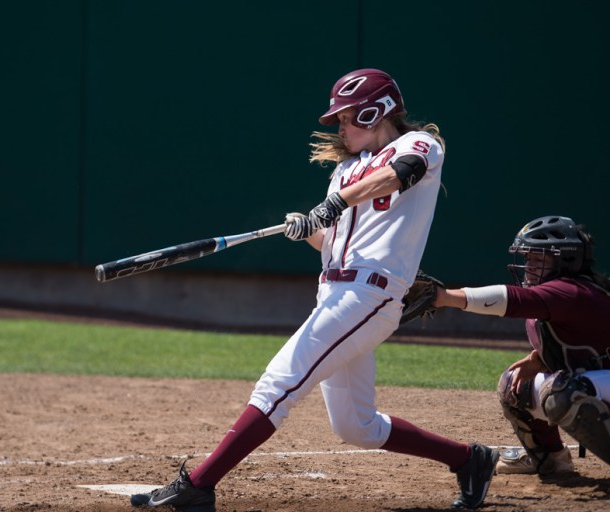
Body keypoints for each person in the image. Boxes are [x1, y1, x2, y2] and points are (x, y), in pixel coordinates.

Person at [130, 68, 498, 511]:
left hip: (369, 296)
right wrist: (307, 229)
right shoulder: (345, 170)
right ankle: (469, 459)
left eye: (346, 117)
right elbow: (338, 244)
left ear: (375, 110)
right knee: (356, 427)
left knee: (279, 382)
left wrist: (331, 206)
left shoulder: (420, 146)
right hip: (336, 293)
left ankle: (200, 484)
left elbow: (398, 176)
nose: (340, 127)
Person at [433, 215, 610, 475]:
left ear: (567, 261)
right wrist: (539, 358)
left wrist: (444, 297)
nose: (529, 266)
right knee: (516, 384)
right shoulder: (558, 293)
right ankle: (552, 460)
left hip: (599, 382)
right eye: (528, 258)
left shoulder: (573, 291)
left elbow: (513, 299)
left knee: (568, 391)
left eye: (539, 259)